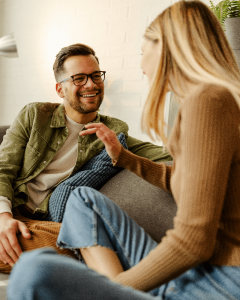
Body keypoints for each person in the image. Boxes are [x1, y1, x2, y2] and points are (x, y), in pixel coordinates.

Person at [7, 0, 240, 299]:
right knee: (80, 199)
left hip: (217, 279)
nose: (141, 63)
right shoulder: (199, 104)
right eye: (79, 78)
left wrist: (111, 291)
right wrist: (124, 158)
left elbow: (193, 242)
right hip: (18, 212)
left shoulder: (207, 102)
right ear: (61, 88)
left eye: (144, 51)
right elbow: (181, 179)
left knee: (33, 270)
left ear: (168, 47)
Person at [0, 43, 171, 270]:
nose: (91, 84)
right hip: (12, 212)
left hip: (48, 225)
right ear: (60, 89)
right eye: (78, 78)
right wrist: (3, 217)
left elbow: (163, 154)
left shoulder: (112, 132)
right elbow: (4, 167)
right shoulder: (34, 115)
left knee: (78, 238)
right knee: (84, 244)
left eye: (95, 75)